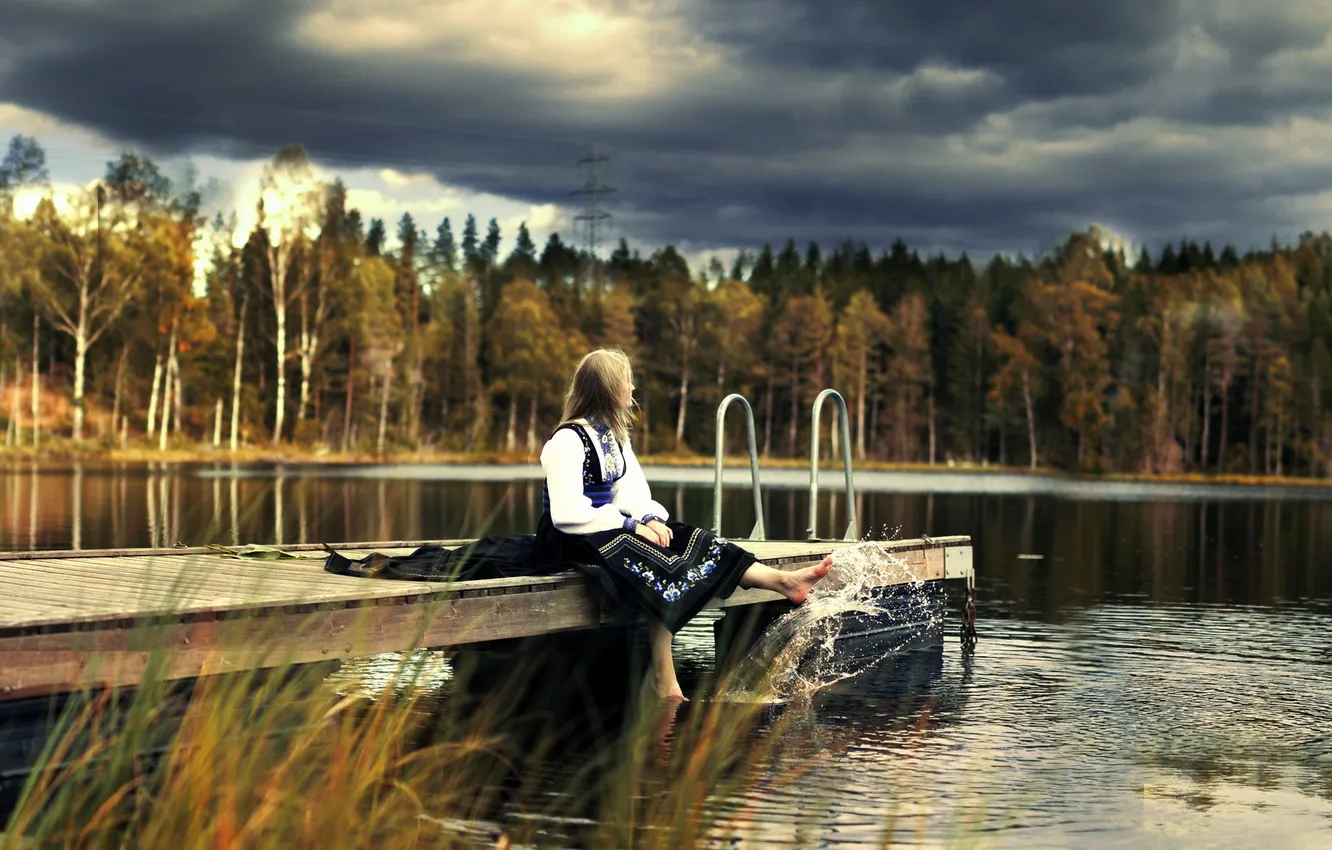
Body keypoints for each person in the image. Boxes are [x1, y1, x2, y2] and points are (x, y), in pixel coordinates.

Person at [535, 348, 831, 700]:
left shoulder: (613, 437)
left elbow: (629, 492)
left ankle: (783, 581)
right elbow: (567, 512)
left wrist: (647, 518)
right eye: (626, 381)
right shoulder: (567, 440)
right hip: (569, 537)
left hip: (607, 527)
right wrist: (630, 527)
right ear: (609, 388)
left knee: (685, 537)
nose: (632, 388)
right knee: (655, 559)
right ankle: (665, 677)